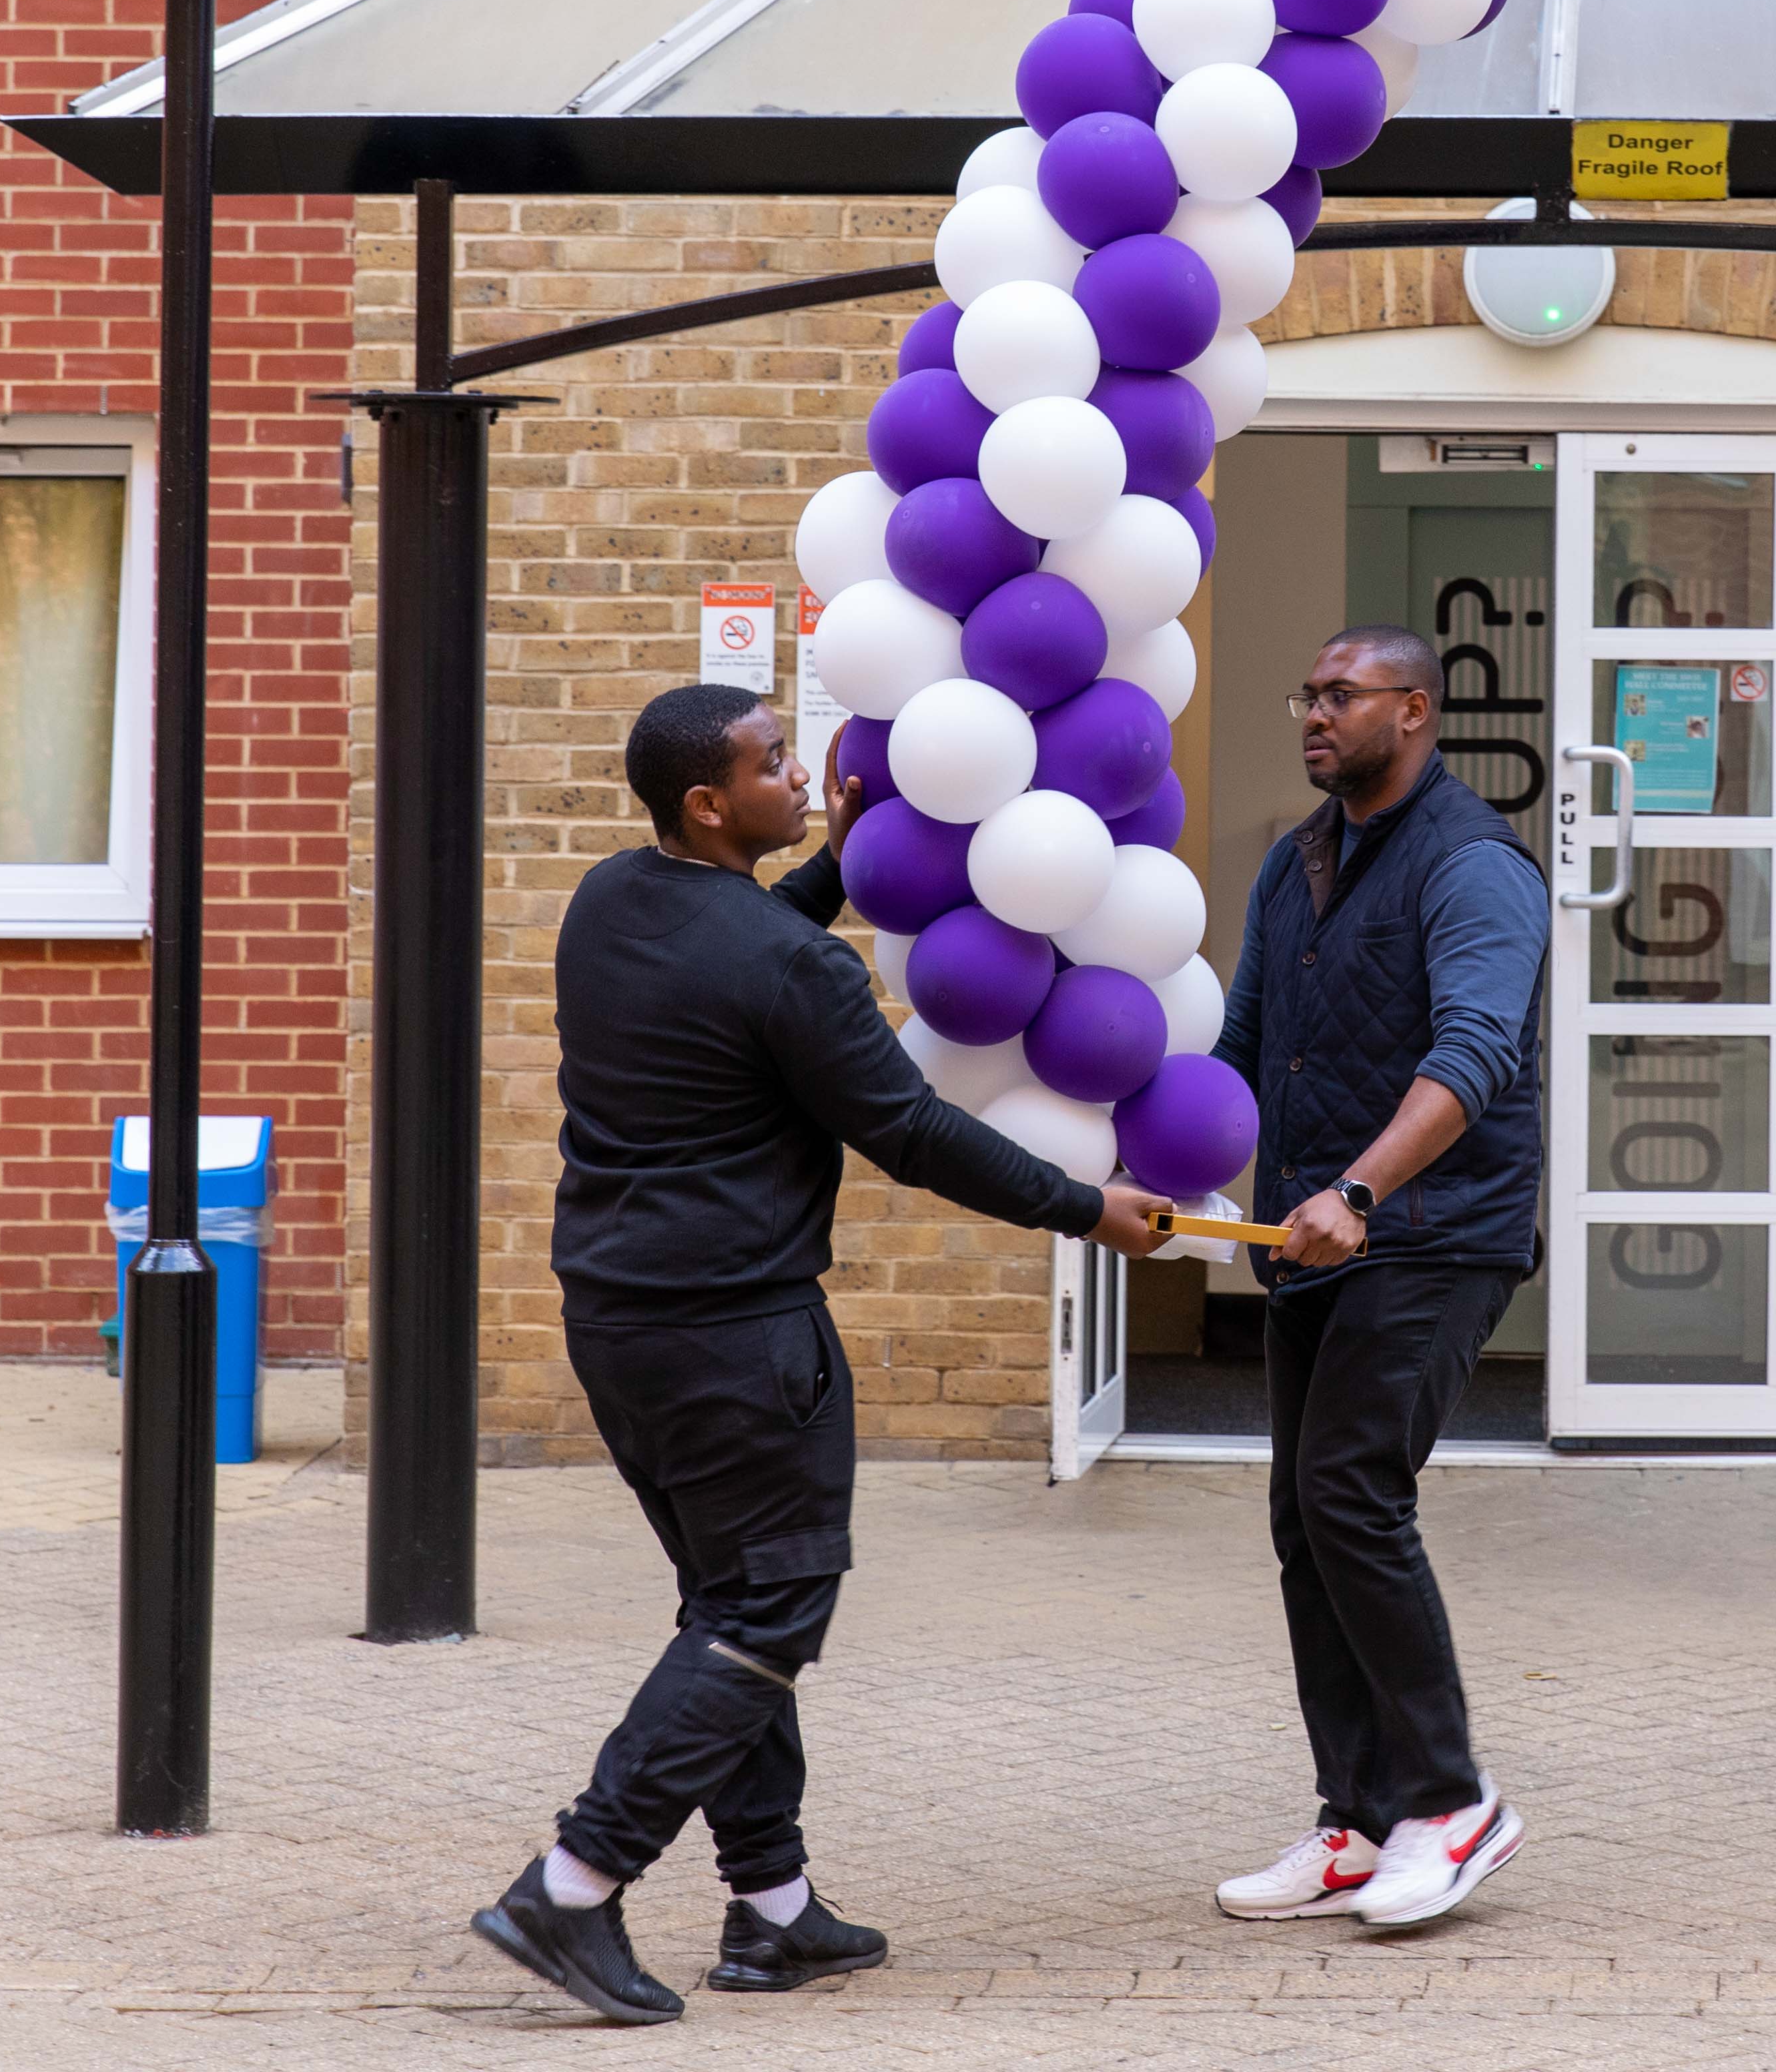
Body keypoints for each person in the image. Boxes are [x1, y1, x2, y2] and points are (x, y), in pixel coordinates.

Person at [472, 684, 1168, 2026]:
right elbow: (907, 1127)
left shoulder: (611, 900)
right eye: (773, 763)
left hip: (617, 1318)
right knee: (767, 1607)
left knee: (726, 1598)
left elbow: (746, 955)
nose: (803, 775)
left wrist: (834, 861)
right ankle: (574, 1876)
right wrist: (1088, 1208)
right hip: (739, 1332)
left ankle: (774, 1907)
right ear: (707, 803)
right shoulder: (794, 967)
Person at [1204, 625, 1549, 1933]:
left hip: (1430, 1231)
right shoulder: (1297, 865)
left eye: (1342, 695)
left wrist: (1360, 1188)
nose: (1314, 712)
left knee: (1350, 1486)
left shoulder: (1474, 864)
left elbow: (1476, 1054)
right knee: (1305, 1514)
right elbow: (1240, 1047)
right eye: (1308, 692)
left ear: (1415, 710)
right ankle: (1355, 1818)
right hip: (1311, 1237)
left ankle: (1453, 1801)